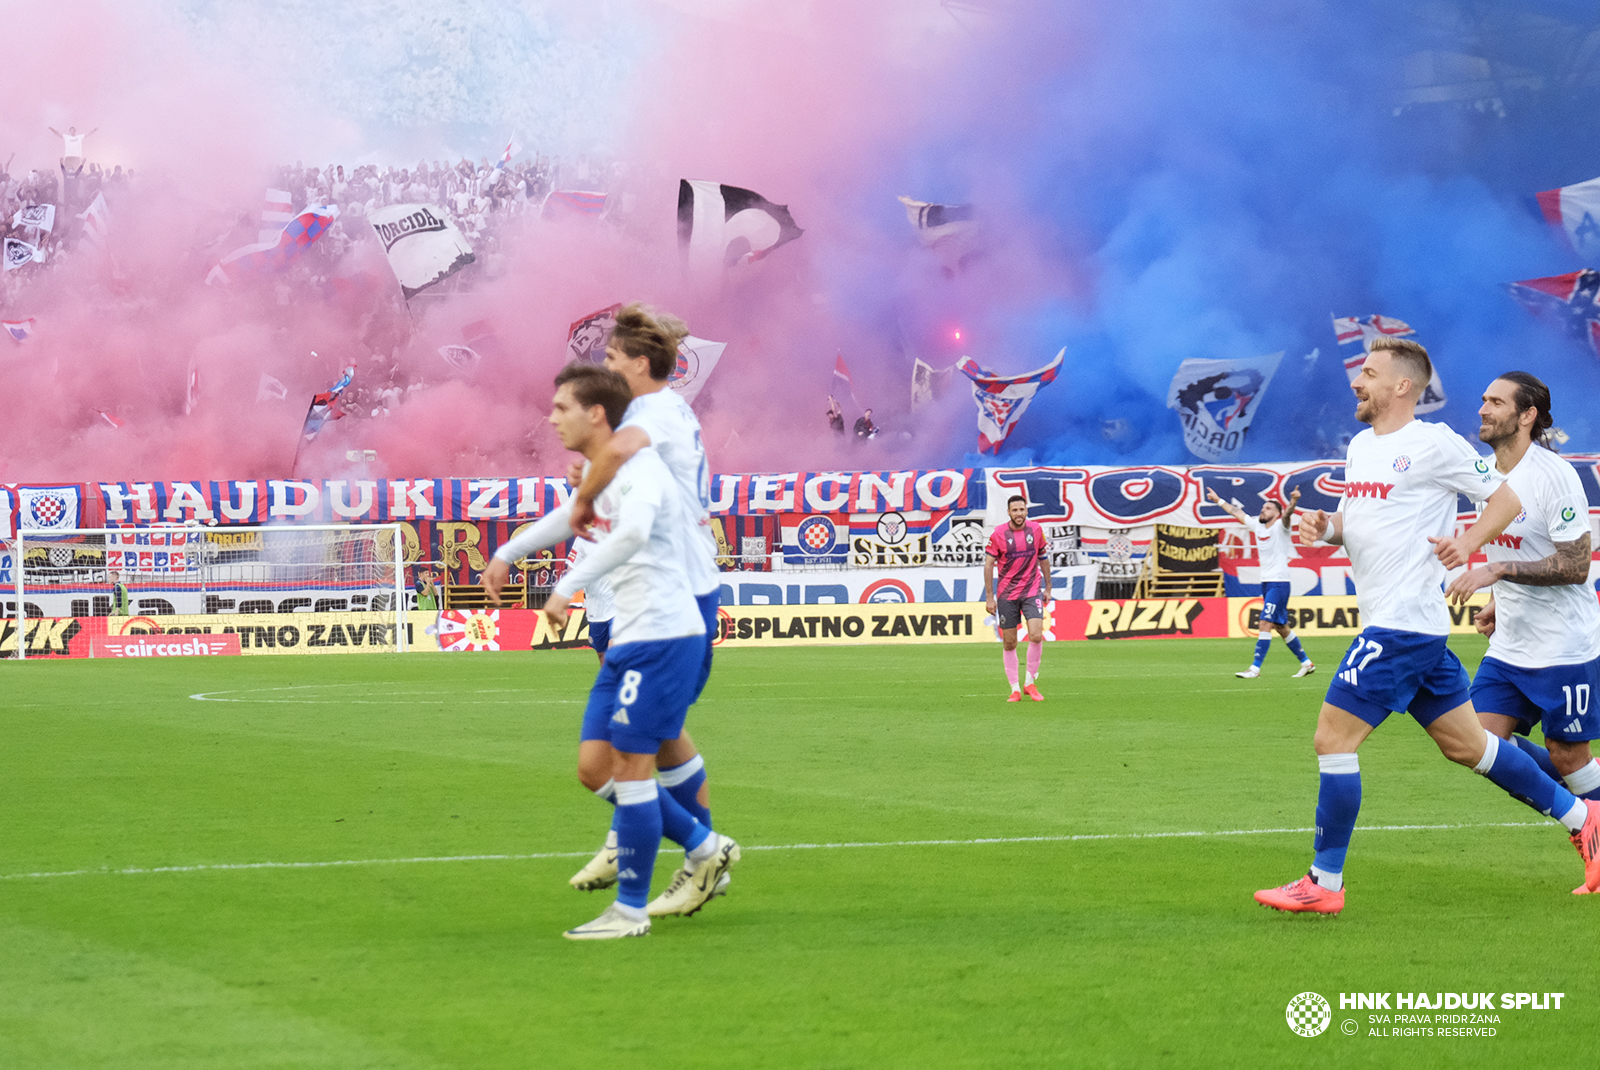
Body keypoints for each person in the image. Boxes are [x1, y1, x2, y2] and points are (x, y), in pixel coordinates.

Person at [1254, 337, 1600, 915]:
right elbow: (1367, 518)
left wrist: (1468, 544)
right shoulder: (1363, 445)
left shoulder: (1433, 443)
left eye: (1367, 372)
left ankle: (1324, 883)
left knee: (1332, 741)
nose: (1355, 382)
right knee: (1469, 745)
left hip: (1400, 627)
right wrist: (1328, 527)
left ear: (1402, 386)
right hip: (1414, 629)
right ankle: (1583, 817)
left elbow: (1507, 499)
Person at [484, 364, 738, 938]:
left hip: (663, 631)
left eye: (561, 408)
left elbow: (631, 533)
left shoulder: (643, 470)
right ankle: (705, 846)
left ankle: (630, 908)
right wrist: (510, 551)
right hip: (628, 633)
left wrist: (566, 585)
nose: (550, 419)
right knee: (596, 768)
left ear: (596, 413)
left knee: (633, 767)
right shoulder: (609, 472)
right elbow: (574, 517)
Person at [563, 304, 726, 902]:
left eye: (611, 356)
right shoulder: (646, 418)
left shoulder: (655, 415)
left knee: (627, 753)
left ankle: (695, 850)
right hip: (629, 606)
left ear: (638, 360)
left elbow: (618, 479)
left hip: (672, 602)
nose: (603, 365)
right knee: (653, 740)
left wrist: (586, 493)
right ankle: (688, 847)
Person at [1441, 372, 1600, 892]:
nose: (1483, 409)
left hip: (1563, 646)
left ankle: (1594, 838)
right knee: (1475, 739)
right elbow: (1510, 550)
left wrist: (1500, 573)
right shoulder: (1486, 472)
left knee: (1568, 754)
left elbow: (1577, 565)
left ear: (1527, 415)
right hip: (1510, 643)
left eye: (1496, 402)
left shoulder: (1553, 475)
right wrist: (1497, 601)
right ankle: (1587, 821)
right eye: (1483, 399)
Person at [1206, 487, 1315, 679]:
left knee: (1265, 622)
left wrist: (1293, 502)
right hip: (1267, 582)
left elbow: (1289, 514)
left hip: (1279, 583)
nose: (1262, 510)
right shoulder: (1257, 525)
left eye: (1267, 508)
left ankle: (1254, 669)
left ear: (1276, 514)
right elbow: (1237, 512)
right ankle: (1307, 663)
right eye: (1262, 507)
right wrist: (1218, 500)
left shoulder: (1281, 526)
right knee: (1281, 627)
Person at [984, 494, 1051, 701]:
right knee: (1010, 643)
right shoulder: (998, 534)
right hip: (1007, 594)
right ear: (1008, 512)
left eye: (1022, 510)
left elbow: (1043, 558)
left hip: (1032, 590)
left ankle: (1030, 683)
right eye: (1015, 510)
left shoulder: (1036, 530)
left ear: (1026, 510)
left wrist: (1048, 586)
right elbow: (988, 565)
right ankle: (1015, 688)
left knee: (1036, 635)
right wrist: (989, 597)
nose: (1019, 514)